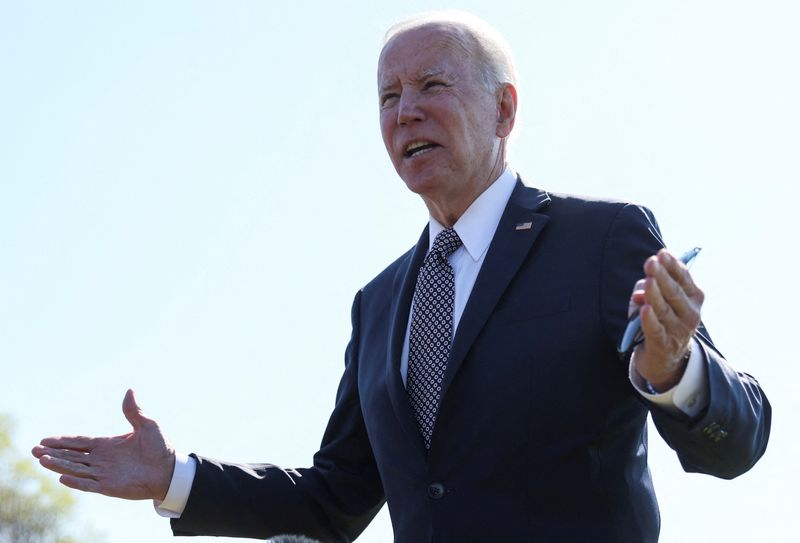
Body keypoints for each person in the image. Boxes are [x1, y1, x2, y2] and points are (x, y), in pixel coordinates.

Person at [32, 11, 770, 543]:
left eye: (431, 85)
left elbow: (740, 439)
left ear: (503, 108)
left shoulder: (601, 240)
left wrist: (674, 370)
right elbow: (335, 500)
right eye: (388, 97)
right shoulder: (380, 304)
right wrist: (174, 477)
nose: (405, 110)